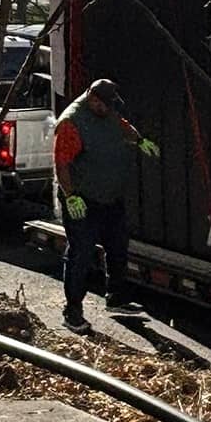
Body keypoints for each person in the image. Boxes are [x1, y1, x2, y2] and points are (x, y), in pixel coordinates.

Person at [53, 78, 160, 334]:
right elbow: (62, 163)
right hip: (83, 199)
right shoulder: (71, 123)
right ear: (92, 98)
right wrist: (70, 195)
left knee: (117, 246)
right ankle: (73, 311)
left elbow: (123, 127)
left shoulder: (108, 112)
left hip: (110, 197)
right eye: (105, 105)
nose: (110, 109)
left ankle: (116, 298)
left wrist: (139, 140)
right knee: (81, 253)